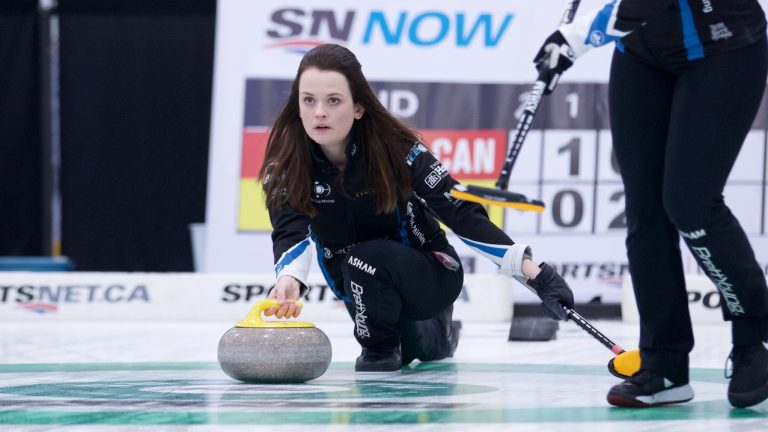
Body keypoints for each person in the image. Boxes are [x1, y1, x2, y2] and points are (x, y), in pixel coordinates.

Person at [257, 43, 575, 373]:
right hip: (357, 282)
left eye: (333, 100)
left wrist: (536, 275)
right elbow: (289, 233)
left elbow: (460, 212)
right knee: (414, 350)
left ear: (358, 108)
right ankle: (439, 336)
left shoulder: (397, 151)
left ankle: (387, 344)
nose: (319, 112)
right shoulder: (285, 165)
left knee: (370, 286)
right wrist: (288, 281)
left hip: (431, 271)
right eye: (309, 100)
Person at [534, 0, 768, 408]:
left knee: (691, 204)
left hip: (722, 47)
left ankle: (753, 339)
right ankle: (664, 365)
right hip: (641, 52)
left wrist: (573, 39)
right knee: (645, 211)